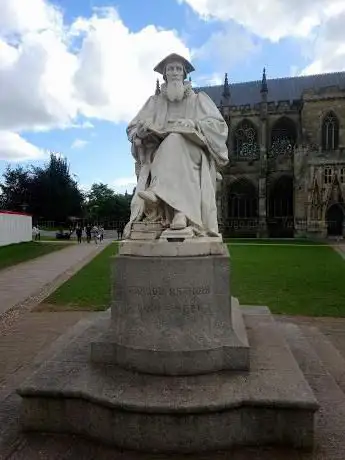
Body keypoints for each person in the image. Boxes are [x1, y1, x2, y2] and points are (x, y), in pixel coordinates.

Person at [123, 53, 228, 238]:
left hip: (194, 153)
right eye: (170, 69)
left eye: (178, 69)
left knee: (175, 139)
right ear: (164, 75)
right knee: (172, 140)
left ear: (184, 74)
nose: (174, 73)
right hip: (158, 155)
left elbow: (219, 126)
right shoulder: (153, 102)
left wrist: (195, 124)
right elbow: (132, 128)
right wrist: (141, 131)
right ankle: (176, 210)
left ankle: (164, 198)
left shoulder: (199, 100)